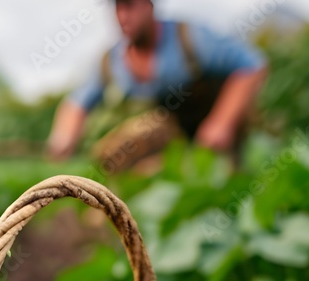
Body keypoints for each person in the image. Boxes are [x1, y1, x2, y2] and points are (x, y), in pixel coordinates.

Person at [46, 0, 268, 166]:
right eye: (117, 8)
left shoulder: (189, 38)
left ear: (149, 6)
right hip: (176, 137)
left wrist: (222, 123)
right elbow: (77, 103)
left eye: (130, 6)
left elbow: (251, 66)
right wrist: (63, 137)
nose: (123, 16)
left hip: (220, 131)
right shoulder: (112, 62)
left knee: (229, 179)